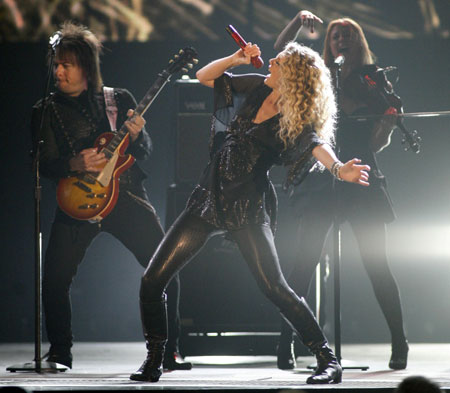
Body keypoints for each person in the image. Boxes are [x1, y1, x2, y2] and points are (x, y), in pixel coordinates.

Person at [129, 39, 372, 384]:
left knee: (275, 288)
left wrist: (338, 169)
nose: (270, 61)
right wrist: (235, 57)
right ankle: (155, 359)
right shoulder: (257, 88)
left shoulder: (296, 116)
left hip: (246, 206)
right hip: (207, 199)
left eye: (280, 61)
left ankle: (327, 360)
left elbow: (318, 145)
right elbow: (204, 76)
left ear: (293, 76)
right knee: (152, 280)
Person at [31, 21, 190, 371]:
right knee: (54, 280)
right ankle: (59, 352)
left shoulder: (118, 100)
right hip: (77, 200)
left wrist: (139, 135)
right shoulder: (45, 110)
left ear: (86, 66)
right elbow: (41, 163)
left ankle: (169, 350)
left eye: (66, 64)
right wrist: (74, 162)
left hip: (126, 196)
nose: (58, 70)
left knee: (165, 270)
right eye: (55, 63)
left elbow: (144, 151)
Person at [274, 12, 409, 371]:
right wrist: (296, 23)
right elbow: (280, 52)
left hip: (361, 176)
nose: (342, 40)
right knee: (304, 263)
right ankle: (286, 340)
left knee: (377, 265)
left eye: (348, 34)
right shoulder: (318, 78)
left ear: (359, 41)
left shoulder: (372, 83)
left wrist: (388, 123)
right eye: (336, 36)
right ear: (328, 43)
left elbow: (376, 144)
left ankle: (399, 339)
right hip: (321, 179)